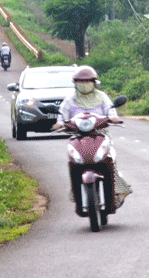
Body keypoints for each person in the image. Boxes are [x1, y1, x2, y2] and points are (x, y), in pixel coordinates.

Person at [54, 66, 131, 207]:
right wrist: (59, 124)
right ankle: (75, 191)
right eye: (80, 82)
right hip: (78, 137)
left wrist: (113, 118)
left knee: (110, 159)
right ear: (75, 83)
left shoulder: (102, 97)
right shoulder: (70, 100)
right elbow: (61, 116)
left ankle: (117, 192)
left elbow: (111, 111)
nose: (84, 85)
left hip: (100, 134)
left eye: (88, 81)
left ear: (94, 82)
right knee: (73, 161)